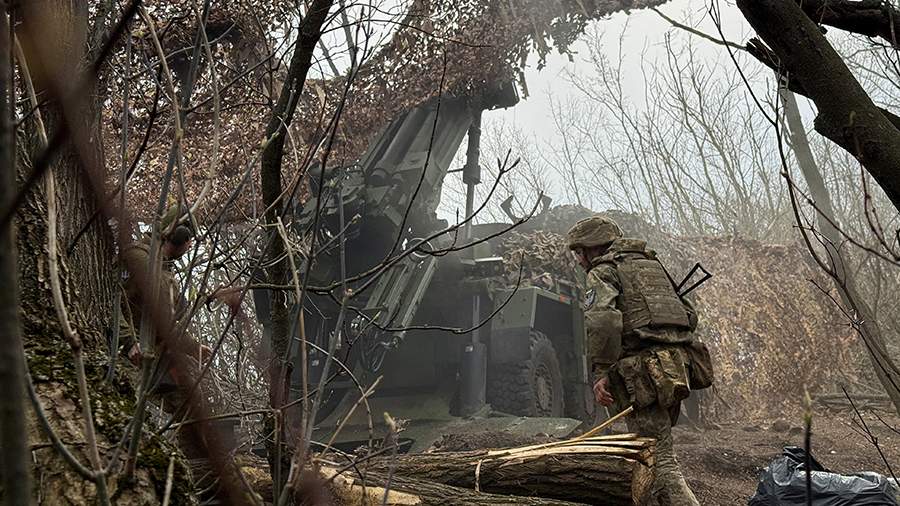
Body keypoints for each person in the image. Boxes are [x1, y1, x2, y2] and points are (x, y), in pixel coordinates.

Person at [567, 216, 714, 506]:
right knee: (649, 457)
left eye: (579, 252)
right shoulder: (650, 266)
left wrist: (601, 371)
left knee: (660, 461)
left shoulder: (603, 271)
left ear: (591, 248)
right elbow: (689, 315)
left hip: (643, 374)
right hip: (674, 369)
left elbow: (603, 322)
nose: (579, 260)